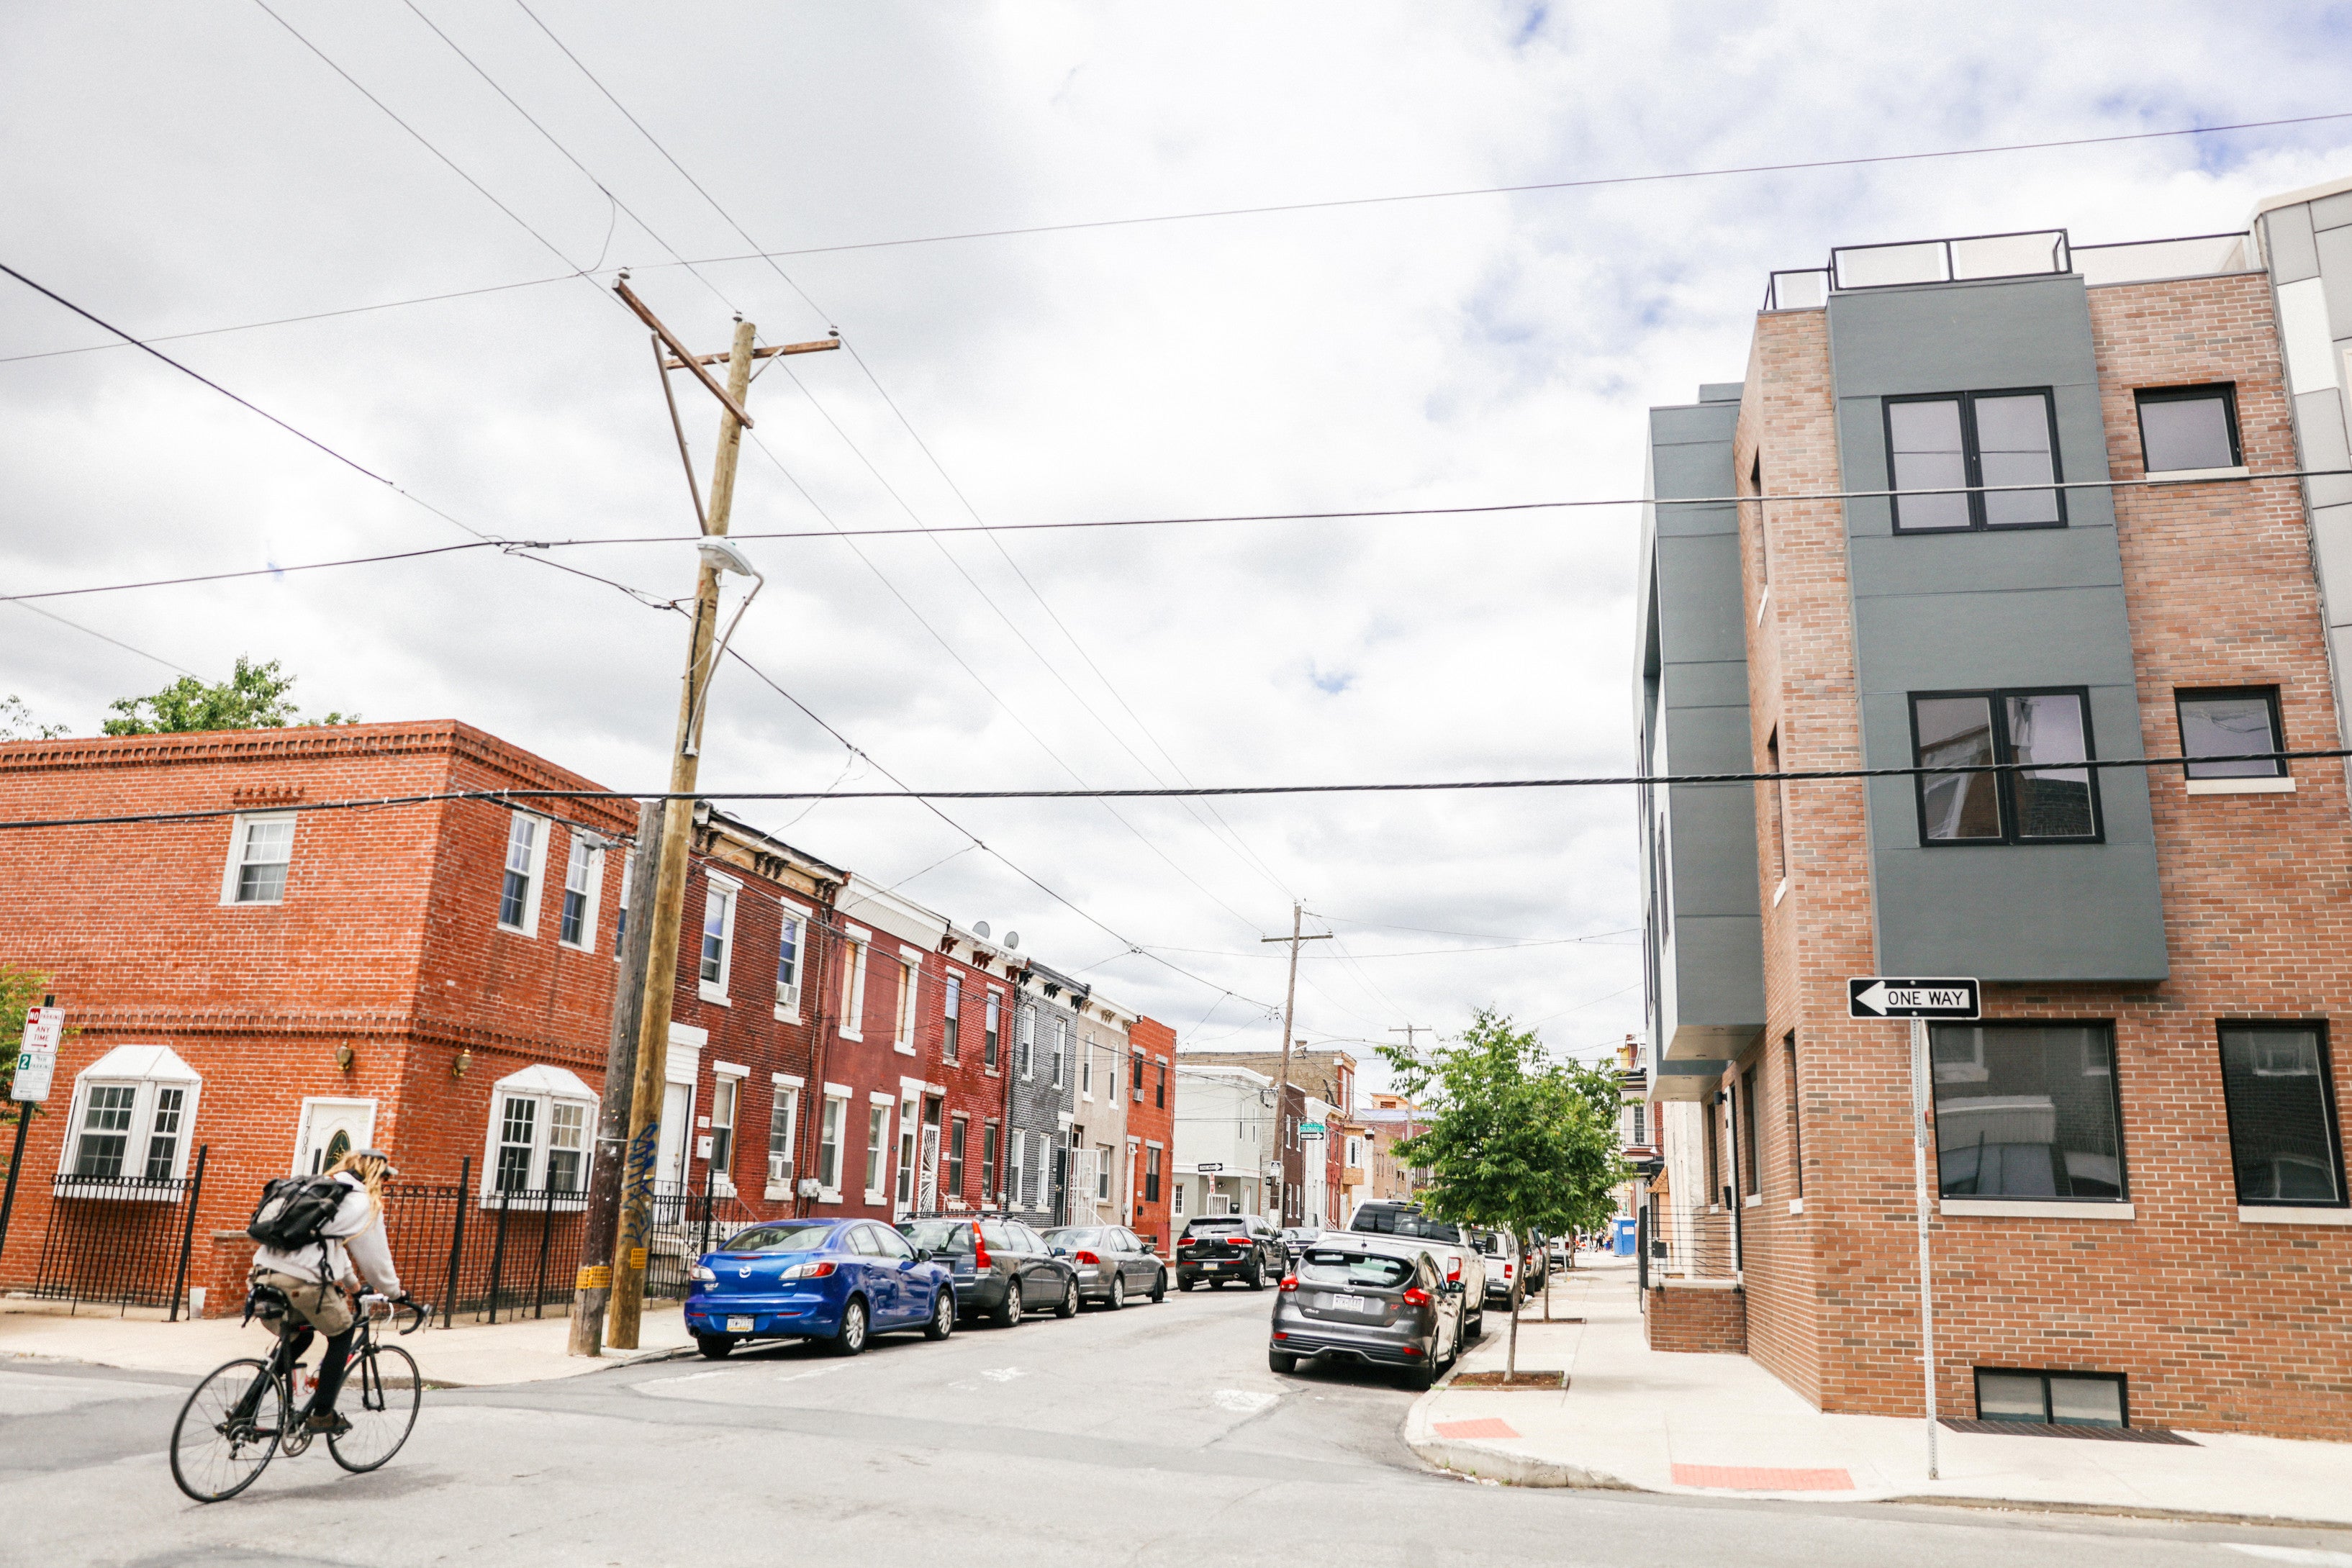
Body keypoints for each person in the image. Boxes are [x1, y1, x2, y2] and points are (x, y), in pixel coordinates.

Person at [248, 1148, 406, 1436]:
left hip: (262, 1277)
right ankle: (322, 1415)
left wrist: (355, 1287)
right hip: (303, 1284)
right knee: (343, 1333)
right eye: (384, 1177)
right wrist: (394, 1293)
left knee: (300, 1337)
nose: (384, 1184)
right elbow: (376, 1261)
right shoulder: (361, 1202)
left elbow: (329, 1246)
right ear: (374, 1174)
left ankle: (246, 1409)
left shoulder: (319, 1191)